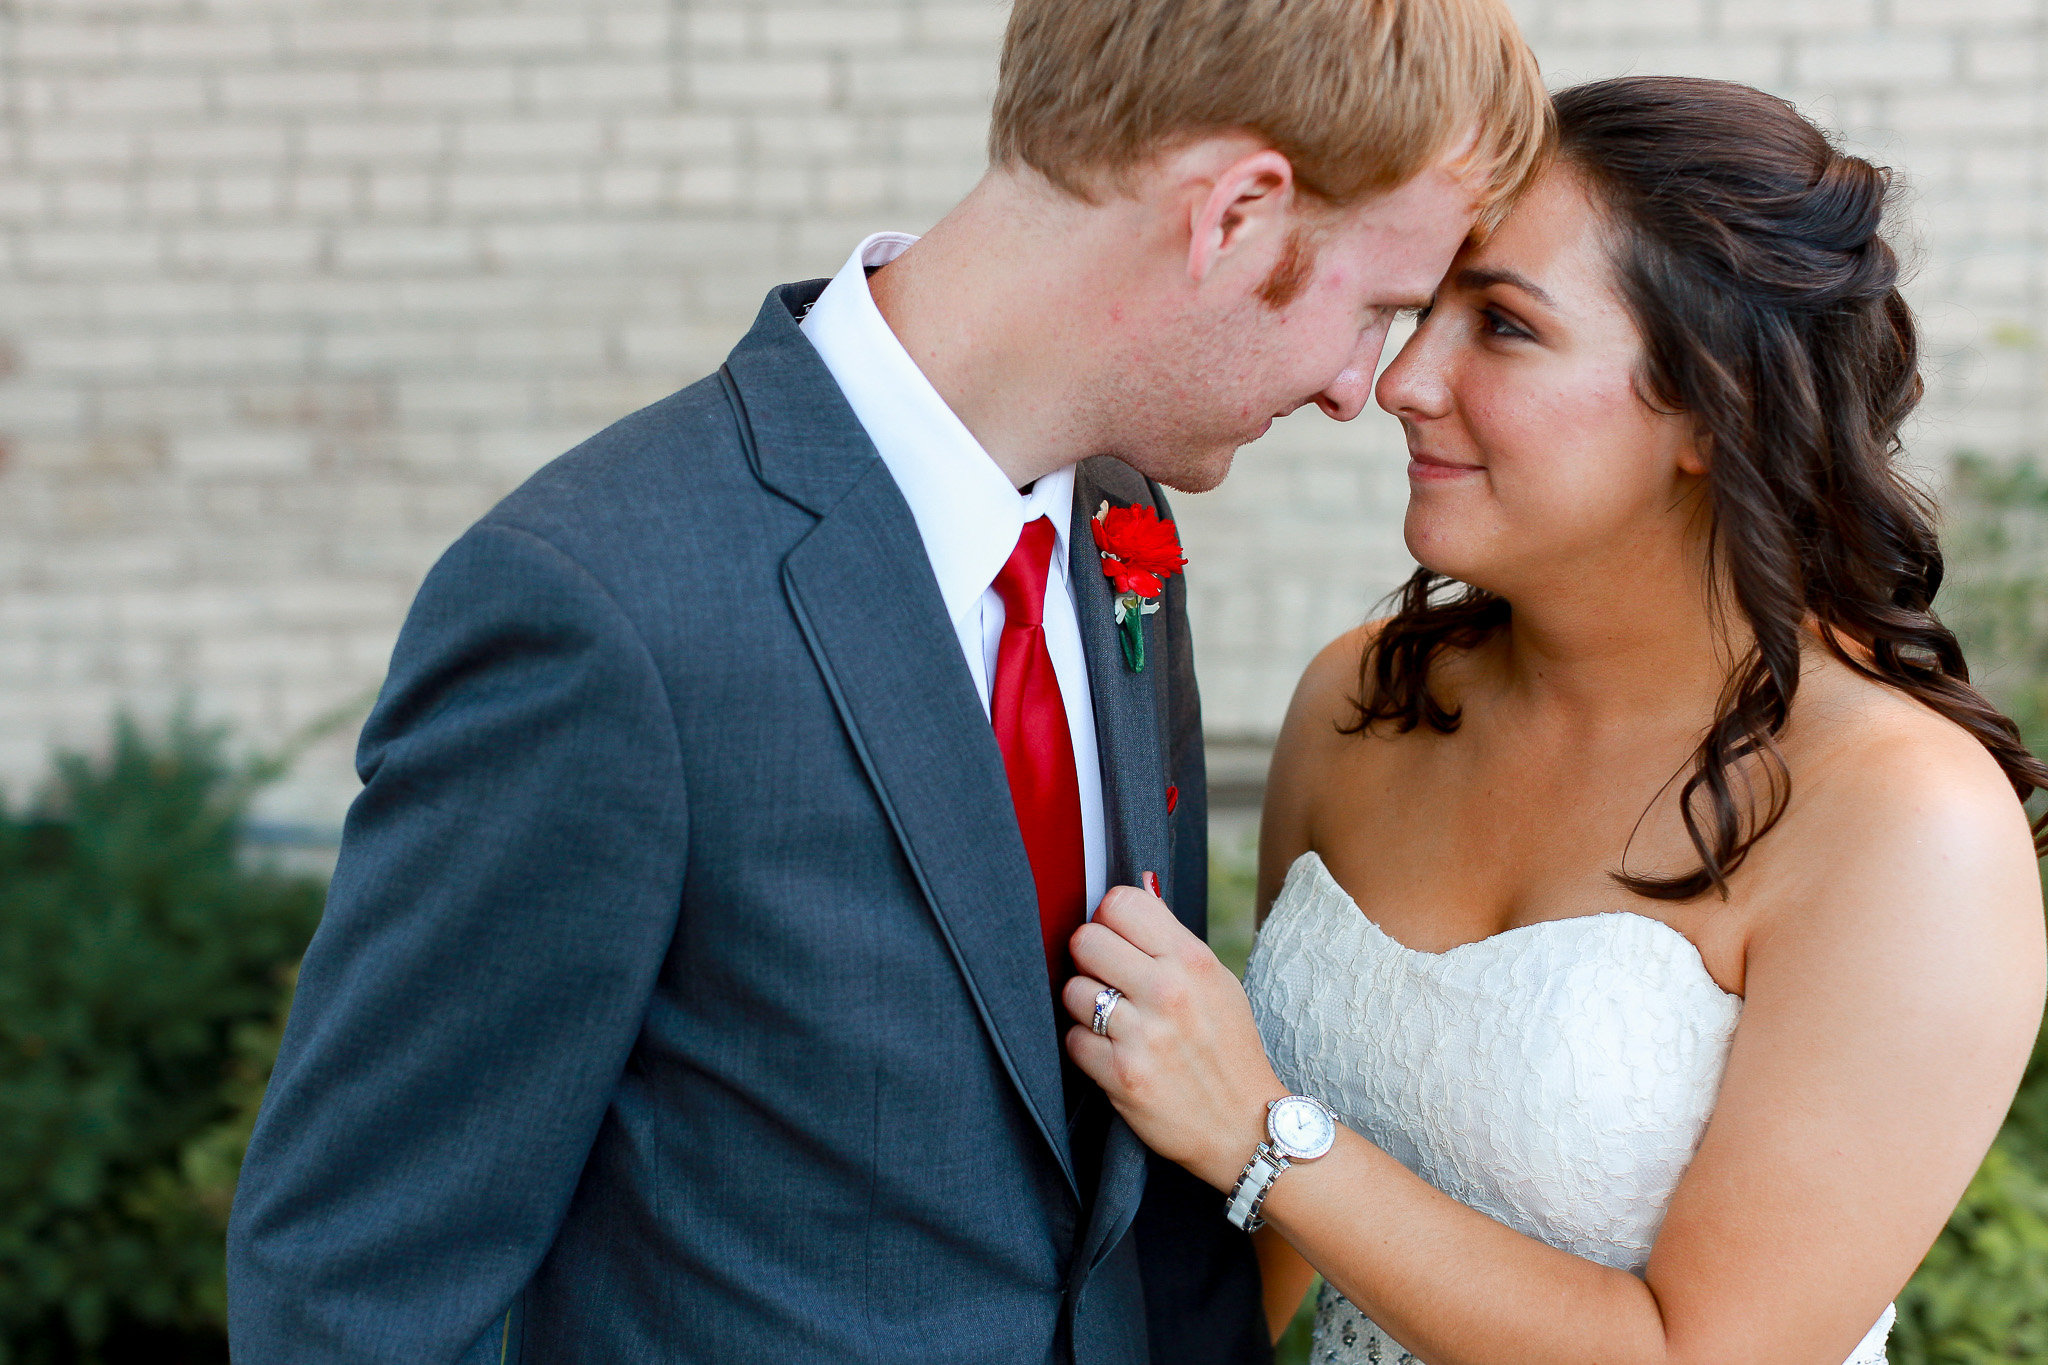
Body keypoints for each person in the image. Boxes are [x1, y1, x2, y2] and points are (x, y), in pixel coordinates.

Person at [224, 1, 1550, 1361]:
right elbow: (351, 1290)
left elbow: (1113, 1190)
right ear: (1233, 215)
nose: (1359, 389)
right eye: (1379, 308)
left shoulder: (1119, 531)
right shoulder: (604, 605)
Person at [1060, 75, 2048, 1365]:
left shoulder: (1905, 823)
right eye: (1424, 311)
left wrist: (1262, 1133)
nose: (1403, 379)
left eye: (1505, 326)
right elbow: (1265, 1265)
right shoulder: (1364, 704)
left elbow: (1706, 1355)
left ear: (1717, 405)